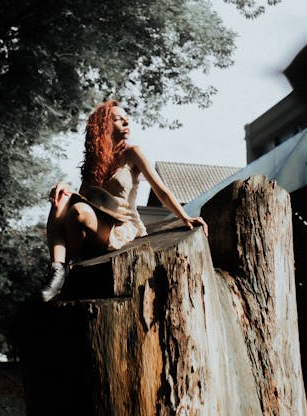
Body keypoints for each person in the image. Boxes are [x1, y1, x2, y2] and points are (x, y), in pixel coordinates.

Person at [40, 99, 208, 301]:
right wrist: (64, 189)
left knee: (78, 211)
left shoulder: (132, 154)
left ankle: (65, 265)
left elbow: (161, 191)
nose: (127, 124)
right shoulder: (94, 162)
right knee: (61, 198)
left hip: (121, 228)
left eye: (127, 120)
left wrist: (185, 217)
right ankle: (57, 269)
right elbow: (85, 198)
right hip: (95, 225)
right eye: (119, 120)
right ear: (104, 127)